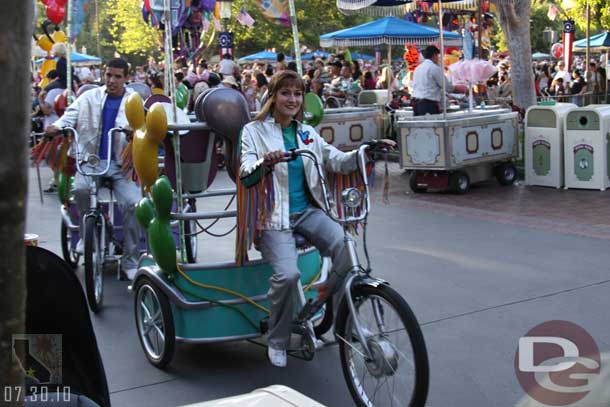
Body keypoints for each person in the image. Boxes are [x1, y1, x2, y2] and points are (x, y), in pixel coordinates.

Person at [239, 70, 394, 367]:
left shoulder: (307, 132)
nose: (292, 99)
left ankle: (327, 310)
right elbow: (245, 171)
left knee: (346, 251)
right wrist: (265, 162)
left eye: (297, 94)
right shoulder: (254, 131)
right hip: (273, 217)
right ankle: (278, 338)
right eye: (285, 93)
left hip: (309, 212)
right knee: (288, 276)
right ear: (272, 97)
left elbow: (337, 159)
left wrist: (366, 150)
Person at [45, 58, 142, 281]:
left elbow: (143, 126)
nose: (112, 80)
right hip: (90, 163)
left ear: (127, 78)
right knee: (79, 190)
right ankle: (84, 233)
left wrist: (134, 133)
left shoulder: (134, 102)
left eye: (118, 76)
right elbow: (69, 116)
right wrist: (57, 127)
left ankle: (130, 261)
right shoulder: (89, 97)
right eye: (109, 75)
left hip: (120, 166)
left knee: (134, 204)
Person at [411, 45, 465, 116]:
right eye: (438, 56)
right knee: (431, 126)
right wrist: (462, 89)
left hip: (416, 105)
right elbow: (447, 87)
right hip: (428, 105)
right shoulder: (434, 68)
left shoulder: (418, 69)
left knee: (419, 126)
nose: (439, 58)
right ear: (434, 55)